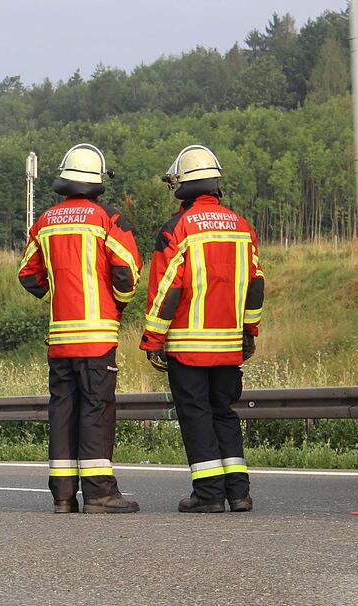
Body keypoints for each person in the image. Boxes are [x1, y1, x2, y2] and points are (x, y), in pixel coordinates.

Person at [18, 143, 143, 514]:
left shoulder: (44, 222)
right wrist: (116, 302)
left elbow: (27, 274)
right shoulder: (106, 220)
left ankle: (62, 496)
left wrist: (56, 297)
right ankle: (101, 494)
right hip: (97, 337)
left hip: (60, 339)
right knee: (96, 410)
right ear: (97, 180)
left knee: (63, 411)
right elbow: (128, 272)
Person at [140, 145, 264, 513]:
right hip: (229, 345)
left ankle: (208, 495)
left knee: (196, 415)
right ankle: (238, 492)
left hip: (189, 347)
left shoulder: (177, 229)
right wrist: (249, 332)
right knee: (224, 412)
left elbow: (167, 289)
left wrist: (153, 340)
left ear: (181, 184)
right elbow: (255, 283)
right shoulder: (241, 226)